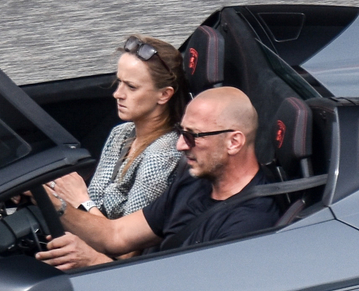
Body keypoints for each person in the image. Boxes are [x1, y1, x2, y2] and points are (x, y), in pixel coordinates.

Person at [37, 86, 280, 271]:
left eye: (193, 136)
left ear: (234, 142)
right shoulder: (195, 181)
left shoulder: (248, 225)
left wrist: (94, 262)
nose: (180, 144)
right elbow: (116, 235)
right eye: (181, 131)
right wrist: (47, 200)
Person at [44, 34, 186, 227]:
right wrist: (46, 191)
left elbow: (127, 244)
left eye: (131, 87)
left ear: (164, 94)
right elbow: (96, 204)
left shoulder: (161, 156)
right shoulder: (121, 133)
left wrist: (80, 199)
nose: (117, 93)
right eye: (119, 82)